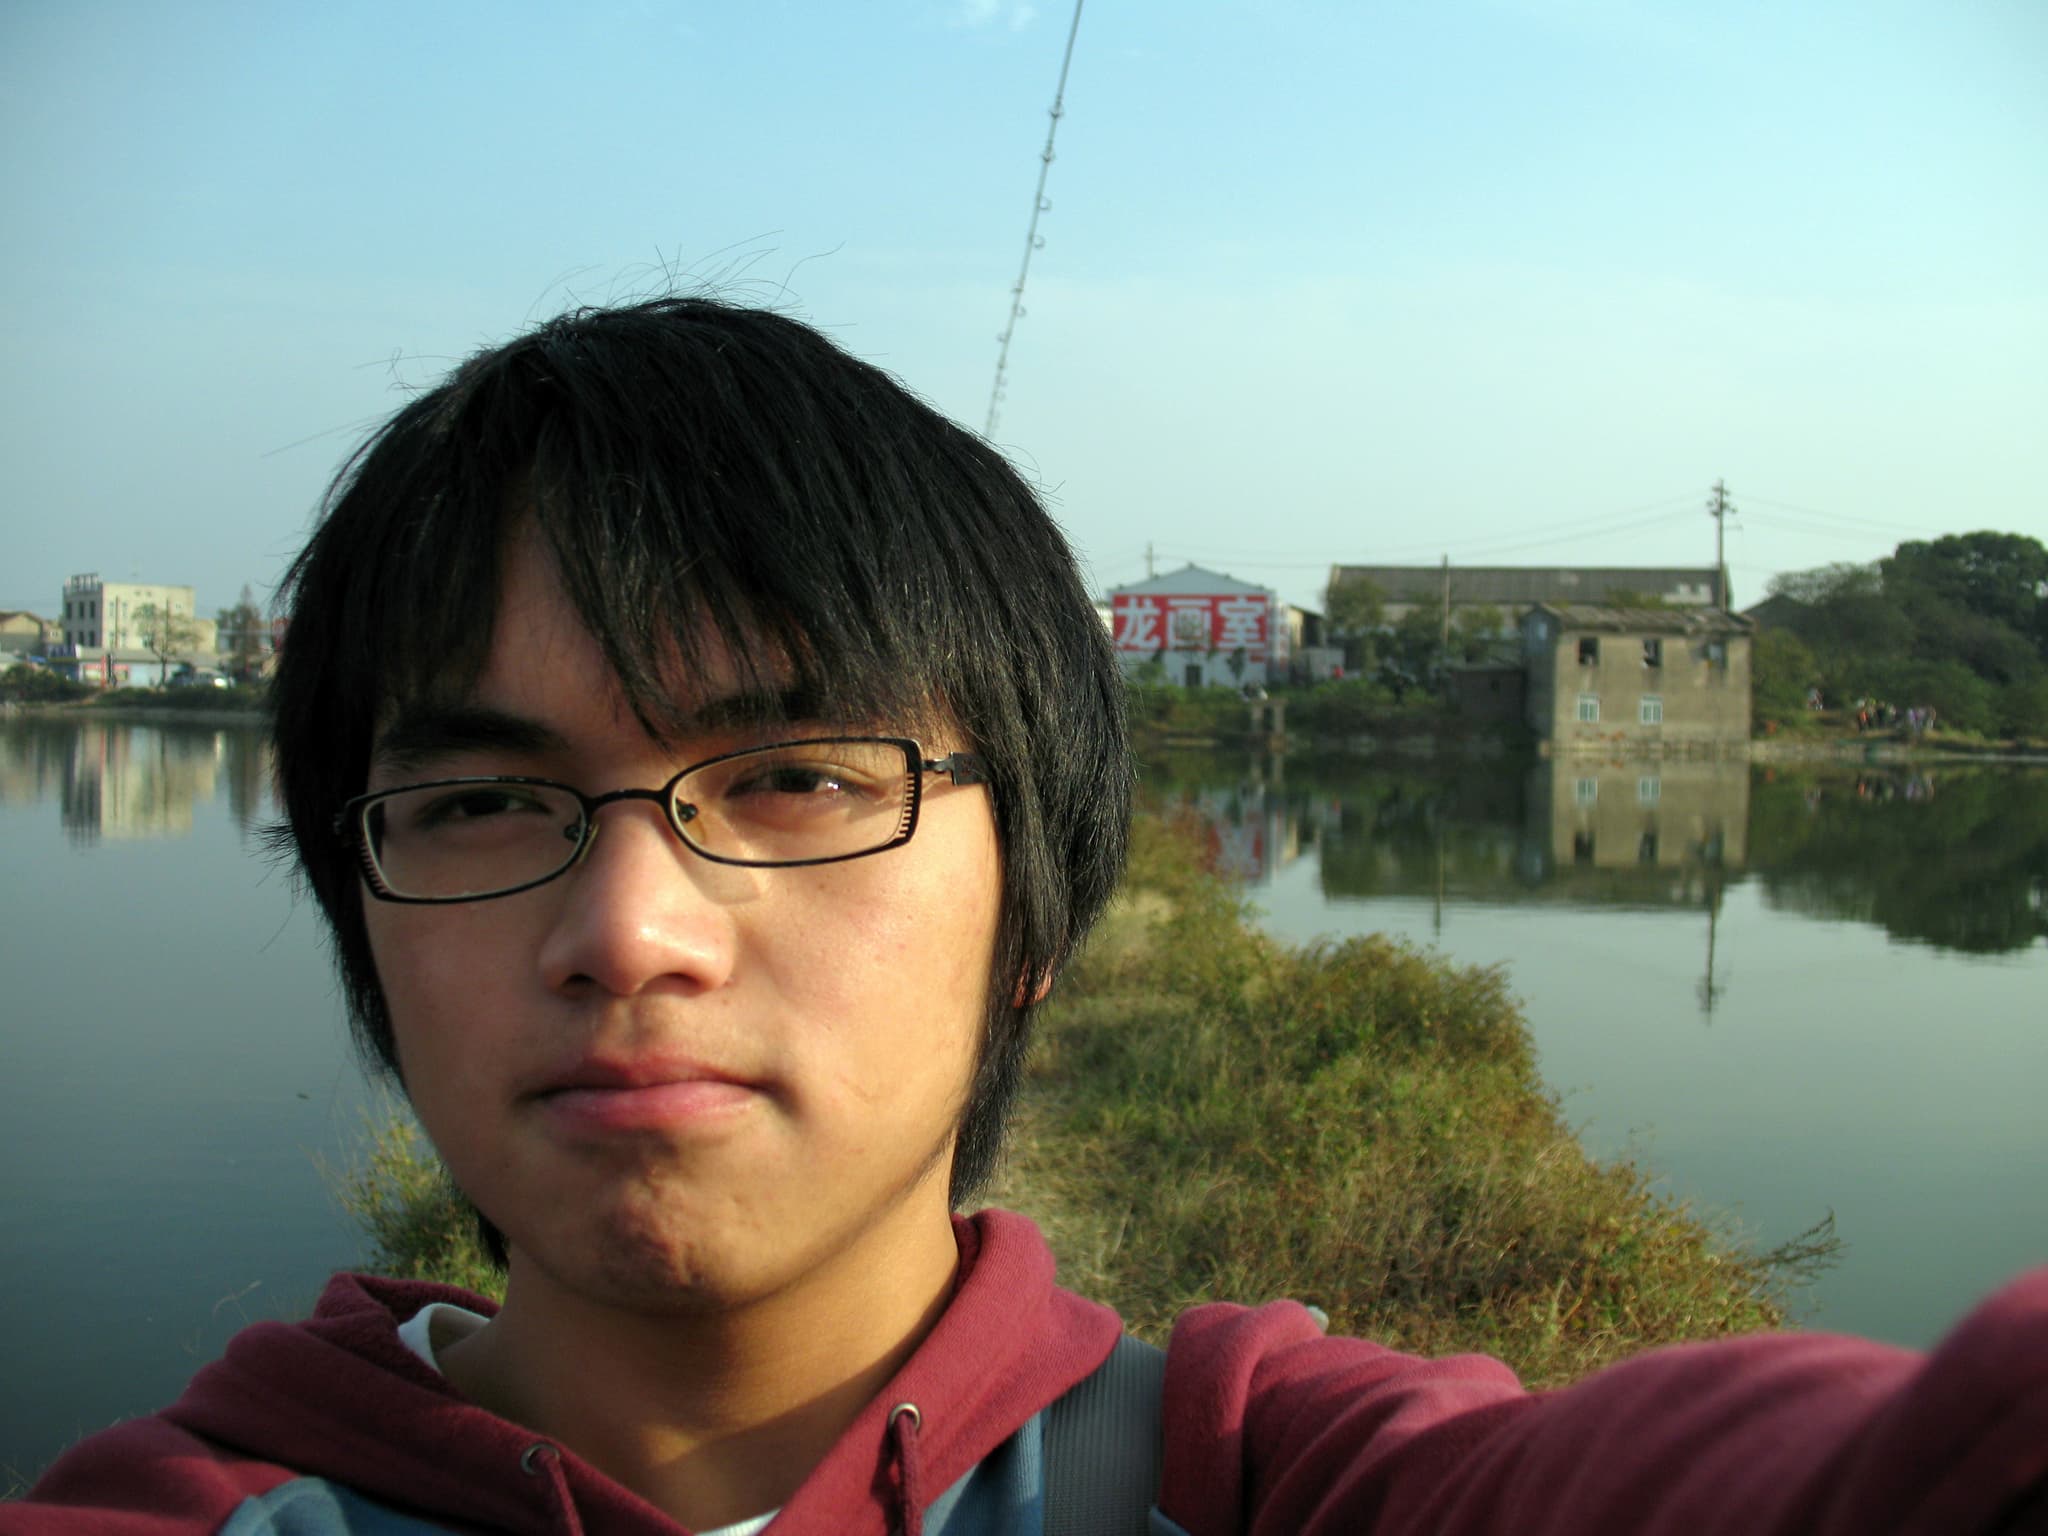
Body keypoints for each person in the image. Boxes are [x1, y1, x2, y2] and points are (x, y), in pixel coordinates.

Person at [9, 298, 2045, 1535]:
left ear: (1041, 913)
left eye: (793, 777)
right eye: (475, 801)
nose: (631, 929)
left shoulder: (1263, 1481)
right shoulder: (187, 1515)